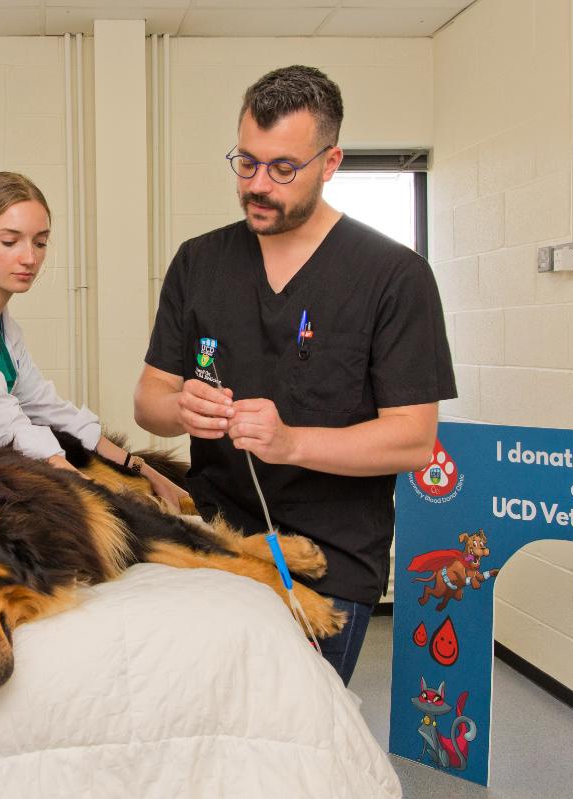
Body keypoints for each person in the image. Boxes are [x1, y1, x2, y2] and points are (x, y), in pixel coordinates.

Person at [133, 65, 456, 685]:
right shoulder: (199, 262)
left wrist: (293, 443)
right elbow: (149, 399)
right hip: (221, 547)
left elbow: (414, 439)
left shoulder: (394, 277)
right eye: (246, 163)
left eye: (283, 168)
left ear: (330, 161)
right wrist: (181, 410)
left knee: (301, 735)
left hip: (331, 561)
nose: (258, 185)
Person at [0, 171, 188, 510]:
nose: (29, 258)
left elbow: (48, 408)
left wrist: (143, 470)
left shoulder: (6, 329)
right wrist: (82, 483)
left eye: (39, 242)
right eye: (10, 242)